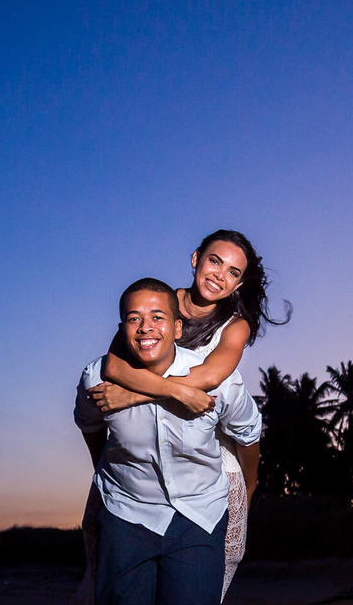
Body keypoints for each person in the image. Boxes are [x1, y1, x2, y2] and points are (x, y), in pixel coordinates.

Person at [73, 230, 288, 603]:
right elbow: (114, 366)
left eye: (234, 272)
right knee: (97, 527)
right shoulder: (155, 302)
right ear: (195, 259)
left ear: (239, 284)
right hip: (142, 436)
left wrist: (132, 394)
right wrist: (161, 392)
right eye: (215, 261)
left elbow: (210, 377)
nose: (220, 275)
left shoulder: (235, 325)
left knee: (227, 544)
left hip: (206, 431)